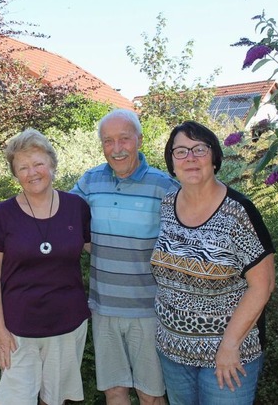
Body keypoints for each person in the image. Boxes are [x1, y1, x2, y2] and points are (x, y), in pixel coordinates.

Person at [150, 121, 276, 405]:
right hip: (173, 351)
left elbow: (263, 285)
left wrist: (230, 346)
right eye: (180, 151)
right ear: (171, 161)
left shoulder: (239, 212)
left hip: (226, 356)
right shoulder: (167, 205)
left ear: (215, 157)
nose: (190, 158)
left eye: (199, 149)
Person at [71, 108, 177, 405]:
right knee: (114, 392)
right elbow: (63, 220)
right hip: (103, 308)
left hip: (149, 311)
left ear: (139, 140)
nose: (116, 149)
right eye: (108, 141)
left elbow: (183, 242)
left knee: (151, 395)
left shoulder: (164, 186)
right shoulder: (90, 181)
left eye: (124, 139)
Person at [0, 128, 92, 405]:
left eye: (38, 163)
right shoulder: (2, 215)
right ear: (15, 174)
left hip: (68, 325)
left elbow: (98, 252)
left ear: (52, 165)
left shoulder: (77, 207)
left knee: (55, 400)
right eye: (23, 167)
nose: (32, 172)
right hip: (18, 329)